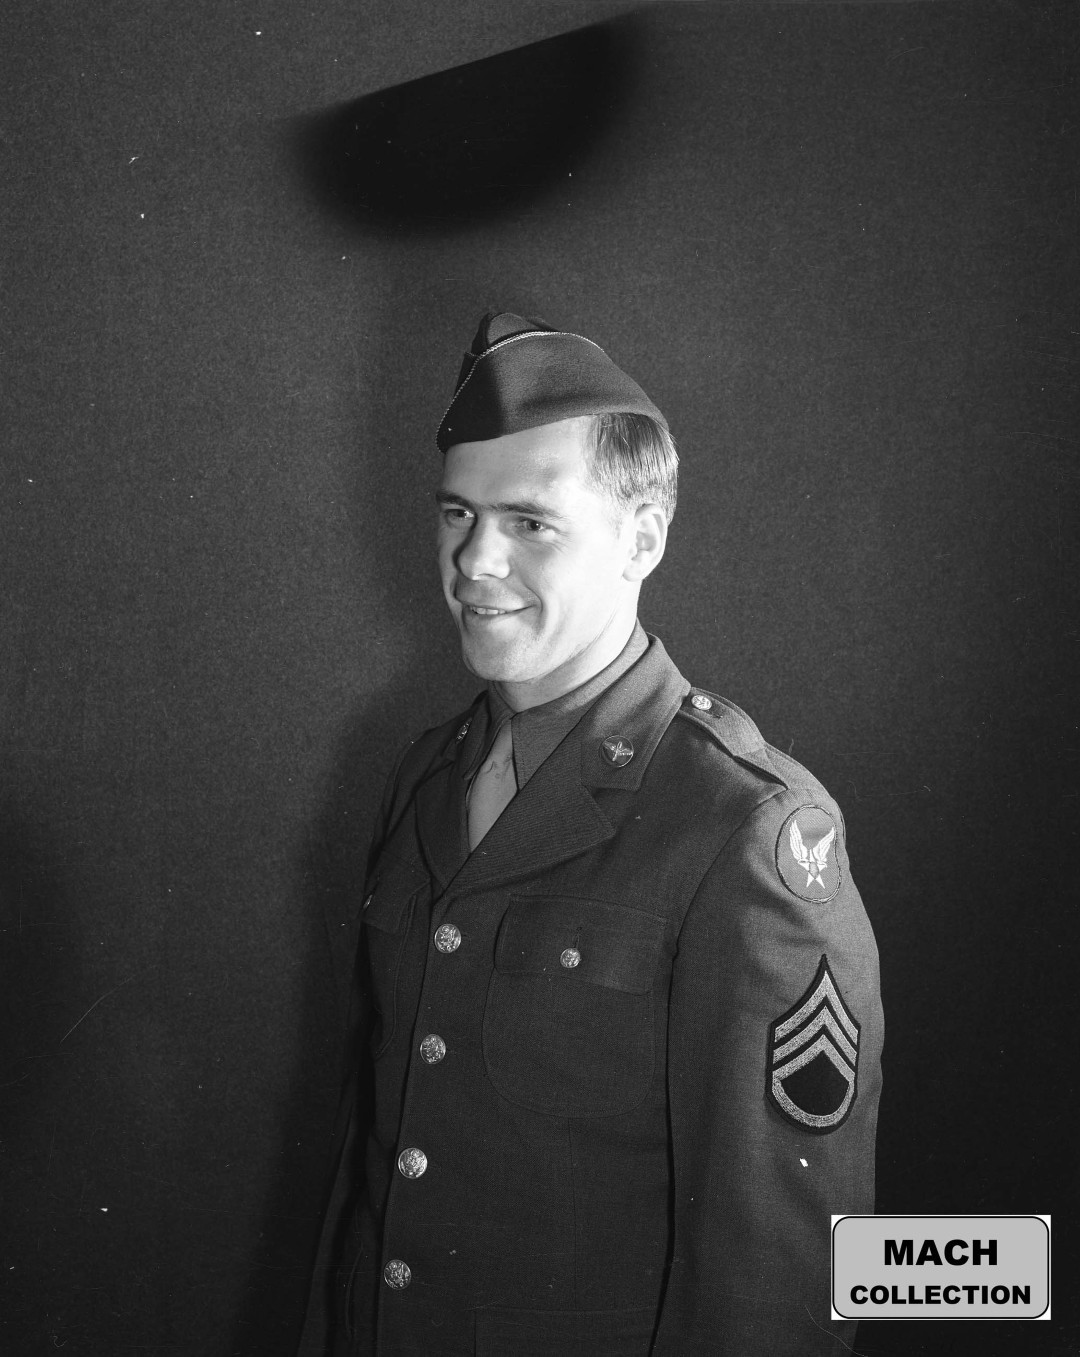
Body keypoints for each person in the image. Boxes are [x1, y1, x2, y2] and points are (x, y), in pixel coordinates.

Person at [299, 311, 883, 1356]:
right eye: (457, 512)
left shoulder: (740, 828)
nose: (474, 559)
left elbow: (779, 1281)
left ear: (642, 539)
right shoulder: (427, 775)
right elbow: (376, 1166)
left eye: (530, 522)